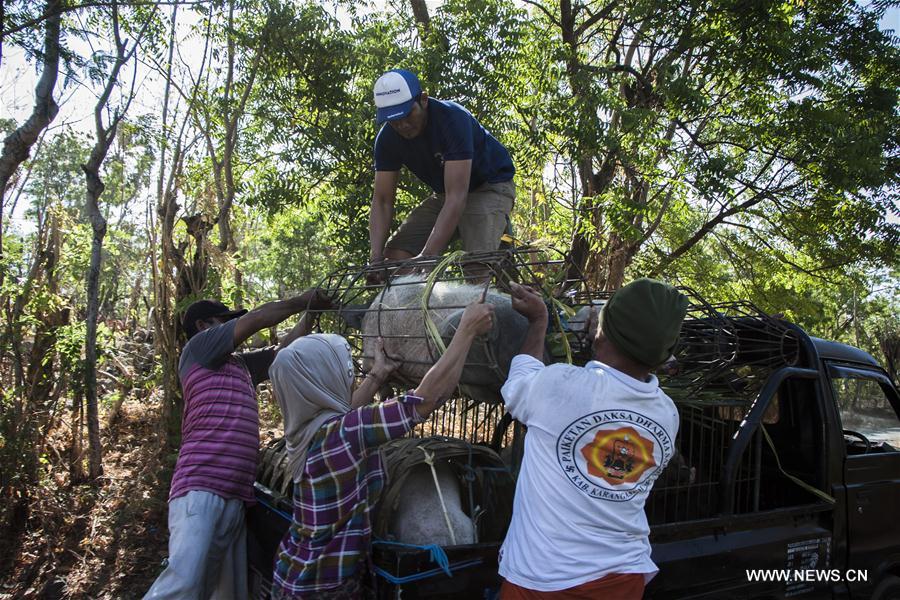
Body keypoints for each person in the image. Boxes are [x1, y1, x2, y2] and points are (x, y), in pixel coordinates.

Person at [268, 301, 495, 599]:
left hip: (296, 575)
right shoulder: (345, 432)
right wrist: (465, 330)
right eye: (342, 367)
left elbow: (347, 413)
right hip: (322, 587)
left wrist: (378, 374)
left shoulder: (308, 427)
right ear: (320, 379)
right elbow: (427, 400)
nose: (349, 373)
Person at [499, 278, 689, 599]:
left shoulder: (564, 385)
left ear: (601, 331)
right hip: (624, 578)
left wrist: (538, 321)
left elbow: (518, 384)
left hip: (543, 581)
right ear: (663, 356)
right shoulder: (667, 415)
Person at [144, 289, 332, 600]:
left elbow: (287, 349)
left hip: (235, 496)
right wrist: (303, 299)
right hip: (201, 489)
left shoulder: (241, 365)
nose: (234, 326)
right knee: (183, 585)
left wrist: (311, 311)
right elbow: (257, 319)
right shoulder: (198, 349)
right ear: (205, 326)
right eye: (225, 321)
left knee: (229, 593)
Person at [367, 69, 515, 280]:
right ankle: (423, 308)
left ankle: (487, 305)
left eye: (407, 114)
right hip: (447, 193)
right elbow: (382, 201)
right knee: (396, 258)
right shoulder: (387, 140)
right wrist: (375, 258)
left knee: (477, 265)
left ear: (424, 100)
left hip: (489, 186)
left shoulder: (452, 119)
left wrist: (427, 256)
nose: (402, 125)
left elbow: (458, 197)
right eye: (393, 120)